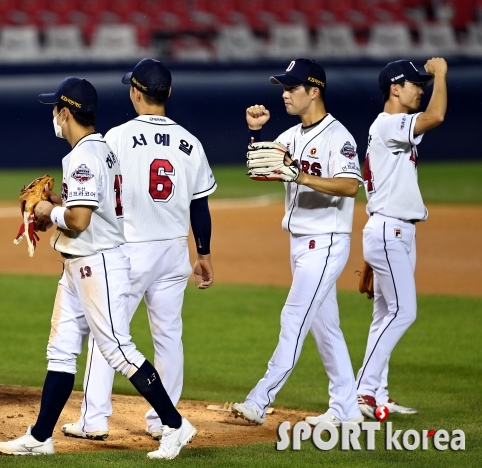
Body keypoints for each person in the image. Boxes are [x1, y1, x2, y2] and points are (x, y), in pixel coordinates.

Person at [0, 77, 196, 459]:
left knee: (118, 350)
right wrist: (57, 201)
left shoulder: (83, 156)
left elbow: (81, 219)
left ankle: (175, 424)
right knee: (61, 350)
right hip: (80, 263)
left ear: (66, 113)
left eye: (55, 108)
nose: (53, 115)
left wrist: (45, 210)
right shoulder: (101, 149)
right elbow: (86, 206)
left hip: (97, 263)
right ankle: (40, 437)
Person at [59, 58, 216, 442]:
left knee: (108, 334)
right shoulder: (190, 142)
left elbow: (96, 194)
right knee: (168, 335)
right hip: (175, 249)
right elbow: (200, 204)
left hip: (128, 248)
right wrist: (205, 253)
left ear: (135, 92)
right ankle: (165, 420)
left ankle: (94, 418)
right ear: (169, 94)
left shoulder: (114, 138)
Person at [232, 58, 364, 427]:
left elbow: (350, 186)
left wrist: (302, 176)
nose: (285, 94)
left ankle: (259, 400)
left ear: (314, 91)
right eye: (284, 88)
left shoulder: (339, 137)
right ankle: (347, 410)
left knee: (293, 317)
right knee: (326, 328)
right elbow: (261, 168)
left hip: (326, 243)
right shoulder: (290, 136)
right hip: (300, 244)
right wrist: (255, 134)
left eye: (292, 88)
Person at [355, 58, 447, 419]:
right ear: (395, 88)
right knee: (403, 311)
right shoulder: (389, 124)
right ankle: (362, 390)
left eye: (424, 82)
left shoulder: (393, 127)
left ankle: (377, 394)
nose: (421, 89)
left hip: (394, 230)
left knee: (384, 316)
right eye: (415, 83)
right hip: (389, 230)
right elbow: (436, 116)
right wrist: (441, 74)